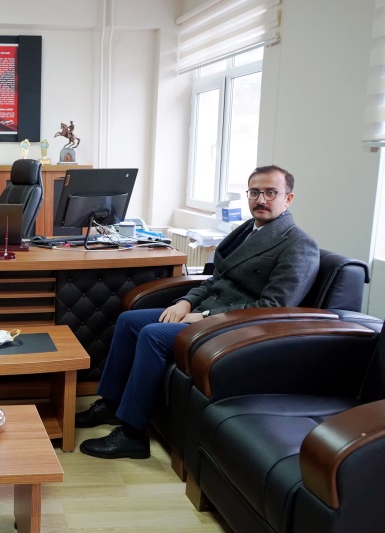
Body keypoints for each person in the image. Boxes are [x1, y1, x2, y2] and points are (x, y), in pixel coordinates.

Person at [76, 165, 320, 460]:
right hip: (207, 313)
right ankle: (112, 403)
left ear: (288, 199)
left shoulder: (299, 245)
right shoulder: (247, 230)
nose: (261, 200)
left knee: (153, 335)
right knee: (129, 321)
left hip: (237, 329)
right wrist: (186, 303)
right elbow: (216, 280)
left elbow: (273, 308)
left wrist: (206, 317)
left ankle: (132, 434)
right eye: (255, 192)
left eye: (271, 193)